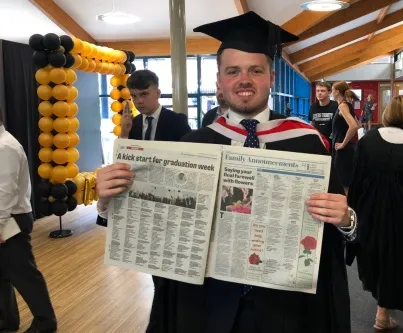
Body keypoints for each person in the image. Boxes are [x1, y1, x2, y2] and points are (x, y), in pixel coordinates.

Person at [95, 11, 357, 333]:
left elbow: (336, 235)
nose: (244, 80)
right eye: (233, 71)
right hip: (207, 305)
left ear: (271, 78)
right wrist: (110, 203)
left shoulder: (307, 144)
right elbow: (157, 228)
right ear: (219, 81)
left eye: (255, 70)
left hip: (286, 307)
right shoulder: (193, 146)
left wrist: (347, 221)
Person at [97, 69, 191, 332]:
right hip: (141, 205)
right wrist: (125, 135)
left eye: (144, 94)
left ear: (158, 93)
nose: (139, 101)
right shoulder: (133, 125)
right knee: (153, 265)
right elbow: (122, 164)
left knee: (170, 270)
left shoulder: (177, 121)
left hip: (171, 203)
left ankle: (166, 319)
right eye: (135, 96)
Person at [346, 96, 403, 331]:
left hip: (368, 213)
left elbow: (356, 181)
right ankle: (383, 313)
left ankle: (381, 310)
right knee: (395, 261)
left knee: (373, 257)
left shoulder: (369, 141)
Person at [0, 108, 57, 333]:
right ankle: (7, 319)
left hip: (11, 219)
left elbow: (5, 191)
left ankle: (45, 322)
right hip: (6, 217)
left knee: (23, 273)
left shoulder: (5, 146)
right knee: (2, 273)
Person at [331, 81, 360, 192]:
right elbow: (358, 124)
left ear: (337, 91)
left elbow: (353, 126)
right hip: (345, 149)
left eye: (332, 90)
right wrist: (337, 132)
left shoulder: (343, 106)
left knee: (343, 186)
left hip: (343, 150)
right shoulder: (347, 105)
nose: (332, 92)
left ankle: (346, 208)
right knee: (344, 184)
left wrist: (343, 143)